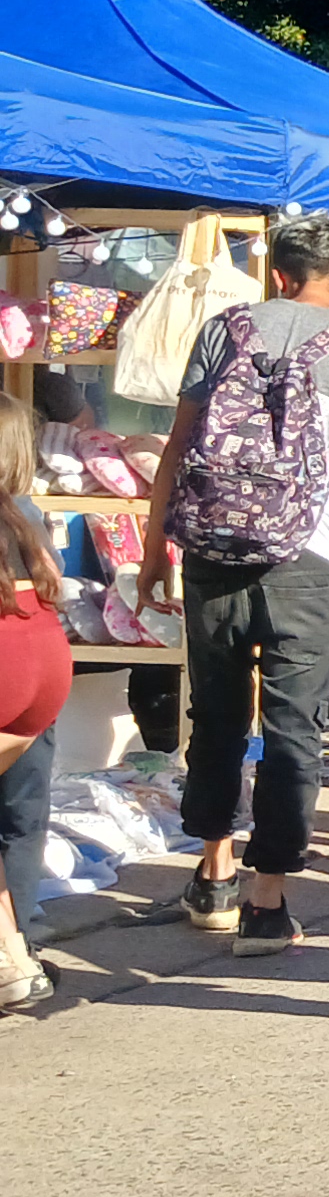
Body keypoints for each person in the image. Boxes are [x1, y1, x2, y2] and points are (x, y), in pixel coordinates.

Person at [140, 215, 329, 954]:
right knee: (296, 733)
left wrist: (157, 547)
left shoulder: (226, 330)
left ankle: (214, 871)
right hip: (311, 564)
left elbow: (181, 442)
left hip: (211, 552)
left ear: (277, 274)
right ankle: (267, 902)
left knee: (218, 717)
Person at [0, 395, 70, 1005]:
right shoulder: (25, 510)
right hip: (45, 670)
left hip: (5, 664)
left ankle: (12, 955)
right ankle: (19, 939)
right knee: (22, 812)